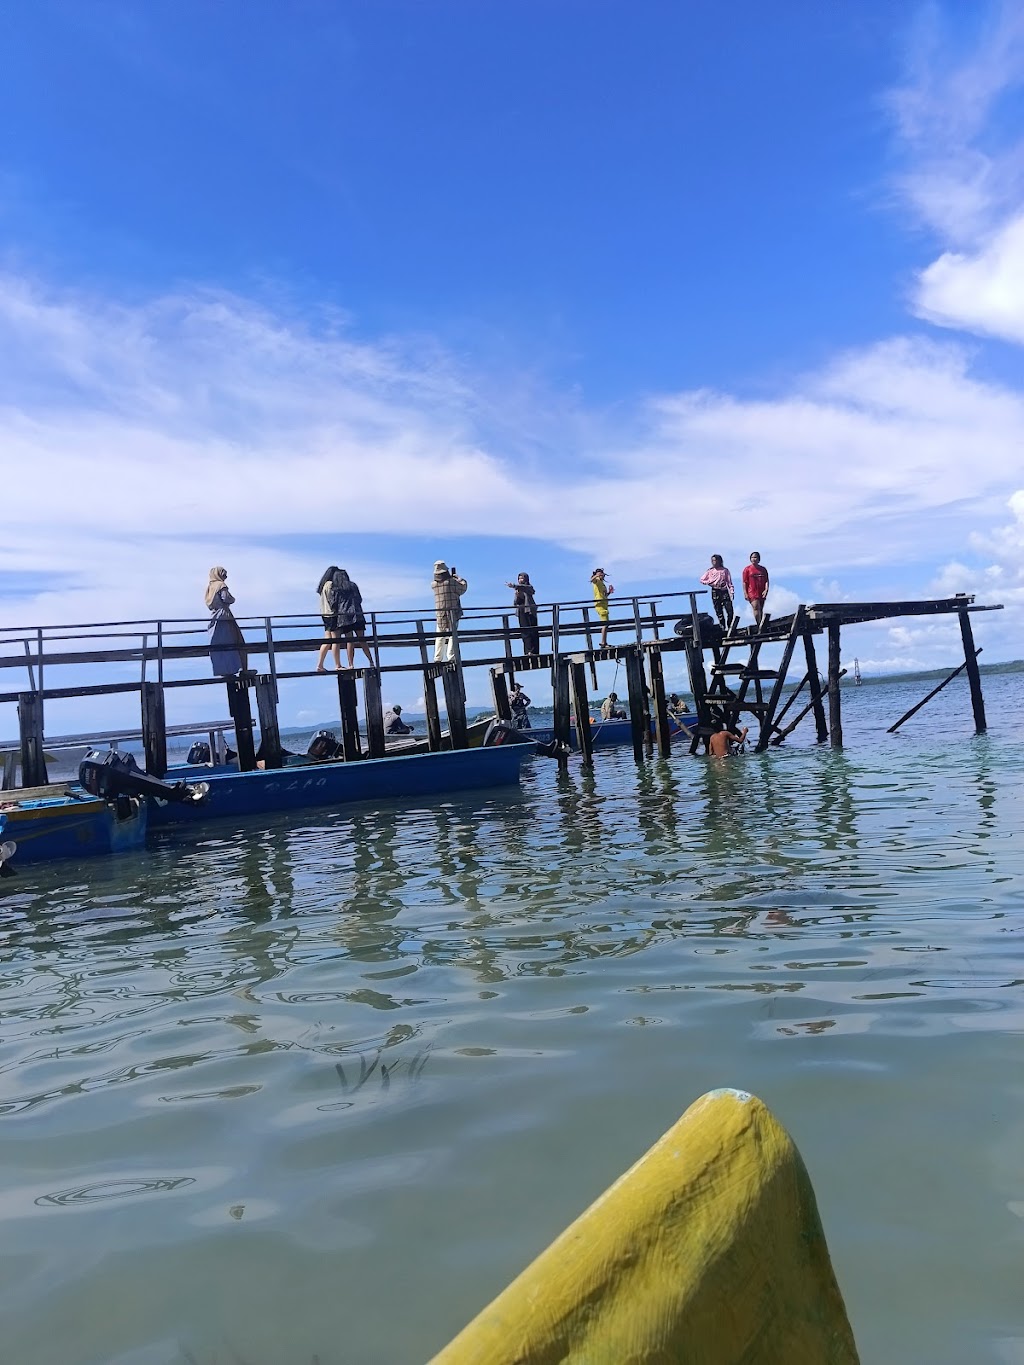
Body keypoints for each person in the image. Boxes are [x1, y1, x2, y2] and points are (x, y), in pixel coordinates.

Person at [205, 567, 247, 677]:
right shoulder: (220, 585)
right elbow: (226, 598)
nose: (225, 577)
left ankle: (225, 670)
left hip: (214, 617)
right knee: (236, 641)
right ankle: (241, 668)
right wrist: (233, 599)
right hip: (225, 616)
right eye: (224, 574)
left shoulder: (210, 587)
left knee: (220, 644)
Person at [332, 569, 375, 669]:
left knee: (349, 640)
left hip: (344, 617)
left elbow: (334, 603)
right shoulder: (353, 585)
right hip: (357, 614)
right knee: (362, 639)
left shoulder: (337, 589)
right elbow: (359, 599)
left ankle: (351, 664)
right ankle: (371, 661)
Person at [432, 560, 468, 662]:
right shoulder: (451, 582)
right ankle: (451, 656)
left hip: (440, 613)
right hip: (452, 613)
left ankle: (437, 658)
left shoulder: (433, 584)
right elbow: (462, 588)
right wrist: (459, 578)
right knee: (453, 635)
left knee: (440, 636)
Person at [315, 565, 342, 672]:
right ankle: (337, 665)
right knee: (336, 640)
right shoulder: (330, 584)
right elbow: (332, 600)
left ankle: (320, 665)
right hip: (332, 614)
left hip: (324, 614)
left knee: (327, 640)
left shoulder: (323, 586)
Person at [506, 572, 540, 656]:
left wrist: (514, 586)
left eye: (522, 578)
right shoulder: (518, 590)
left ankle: (534, 651)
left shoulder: (528, 587)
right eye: (519, 578)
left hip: (529, 611)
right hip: (521, 612)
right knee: (525, 633)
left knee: (533, 631)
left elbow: (526, 589)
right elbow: (515, 603)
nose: (520, 580)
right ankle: (527, 651)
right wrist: (517, 596)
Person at [699, 554, 735, 630]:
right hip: (715, 590)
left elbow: (729, 582)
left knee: (729, 610)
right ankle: (722, 626)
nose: (714, 562)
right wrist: (709, 582)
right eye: (712, 561)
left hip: (724, 591)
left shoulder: (725, 570)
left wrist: (731, 592)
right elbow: (702, 579)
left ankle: (730, 626)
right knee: (718, 610)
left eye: (715, 560)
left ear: (719, 561)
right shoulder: (710, 571)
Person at [742, 551, 770, 627]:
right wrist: (745, 593)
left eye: (755, 557)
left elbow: (766, 580)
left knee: (760, 608)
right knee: (756, 606)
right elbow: (745, 582)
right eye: (752, 557)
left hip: (761, 591)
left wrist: (766, 590)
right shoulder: (747, 569)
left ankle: (761, 624)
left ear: (758, 559)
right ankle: (759, 625)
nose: (754, 559)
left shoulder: (763, 569)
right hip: (752, 591)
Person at [591, 568, 615, 648]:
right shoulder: (597, 581)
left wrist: (609, 592)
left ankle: (604, 642)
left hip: (604, 605)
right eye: (601, 574)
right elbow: (592, 580)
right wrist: (596, 576)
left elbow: (604, 595)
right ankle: (603, 642)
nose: (602, 575)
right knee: (605, 623)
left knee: (606, 624)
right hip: (600, 605)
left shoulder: (602, 584)